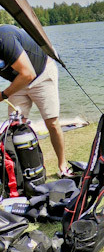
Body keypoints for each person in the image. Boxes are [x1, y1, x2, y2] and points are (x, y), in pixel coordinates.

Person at [0, 24, 70, 176]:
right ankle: (22, 172)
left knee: (51, 123)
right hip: (18, 81)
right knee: (15, 126)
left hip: (41, 74)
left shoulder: (4, 38)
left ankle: (62, 165)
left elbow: (28, 74)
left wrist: (4, 95)